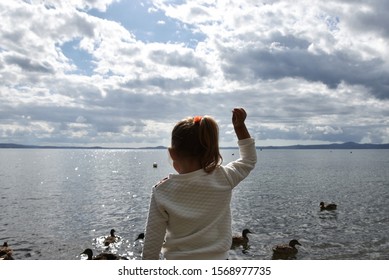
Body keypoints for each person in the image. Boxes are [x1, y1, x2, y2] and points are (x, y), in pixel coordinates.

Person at [142, 108, 257, 260]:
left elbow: (151, 247)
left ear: (172, 153)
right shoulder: (224, 177)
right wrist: (240, 127)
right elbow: (248, 160)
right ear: (210, 150)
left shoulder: (162, 191)